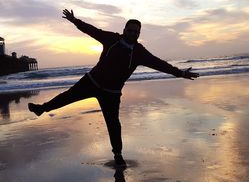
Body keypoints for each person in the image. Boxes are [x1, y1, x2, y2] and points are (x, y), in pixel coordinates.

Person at [28, 9, 199, 167]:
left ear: (139, 34)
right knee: (67, 97)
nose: (132, 33)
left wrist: (180, 73)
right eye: (129, 30)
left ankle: (118, 155)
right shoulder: (112, 39)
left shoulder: (139, 52)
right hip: (91, 81)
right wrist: (75, 20)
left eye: (136, 32)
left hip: (112, 93)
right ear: (124, 30)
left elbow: (159, 64)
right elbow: (92, 30)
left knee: (114, 125)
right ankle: (41, 109)